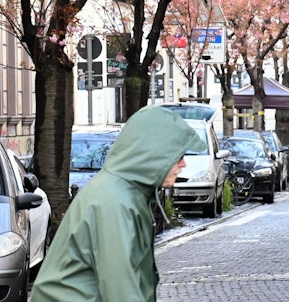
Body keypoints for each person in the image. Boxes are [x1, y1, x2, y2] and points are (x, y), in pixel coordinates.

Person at [32, 104, 202, 302]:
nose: (184, 164)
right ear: (155, 154)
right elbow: (122, 289)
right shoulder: (116, 202)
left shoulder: (123, 192)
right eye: (178, 156)